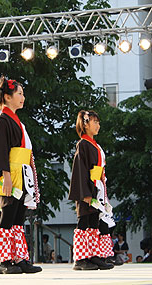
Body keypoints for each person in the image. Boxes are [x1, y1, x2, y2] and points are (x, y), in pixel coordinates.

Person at [0, 76, 42, 275]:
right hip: (12, 173)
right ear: (7, 97)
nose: (23, 97)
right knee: (7, 215)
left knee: (18, 216)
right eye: (19, 93)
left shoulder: (14, 120)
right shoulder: (3, 120)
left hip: (21, 172)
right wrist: (5, 175)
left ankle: (18, 257)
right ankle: (3, 259)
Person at [68, 110, 115, 271]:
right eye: (94, 122)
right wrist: (85, 193)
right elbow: (80, 169)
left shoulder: (94, 144)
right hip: (87, 187)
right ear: (85, 124)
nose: (98, 125)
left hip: (96, 186)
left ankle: (93, 255)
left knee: (94, 221)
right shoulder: (83, 144)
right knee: (84, 220)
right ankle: (80, 258)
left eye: (98, 122)